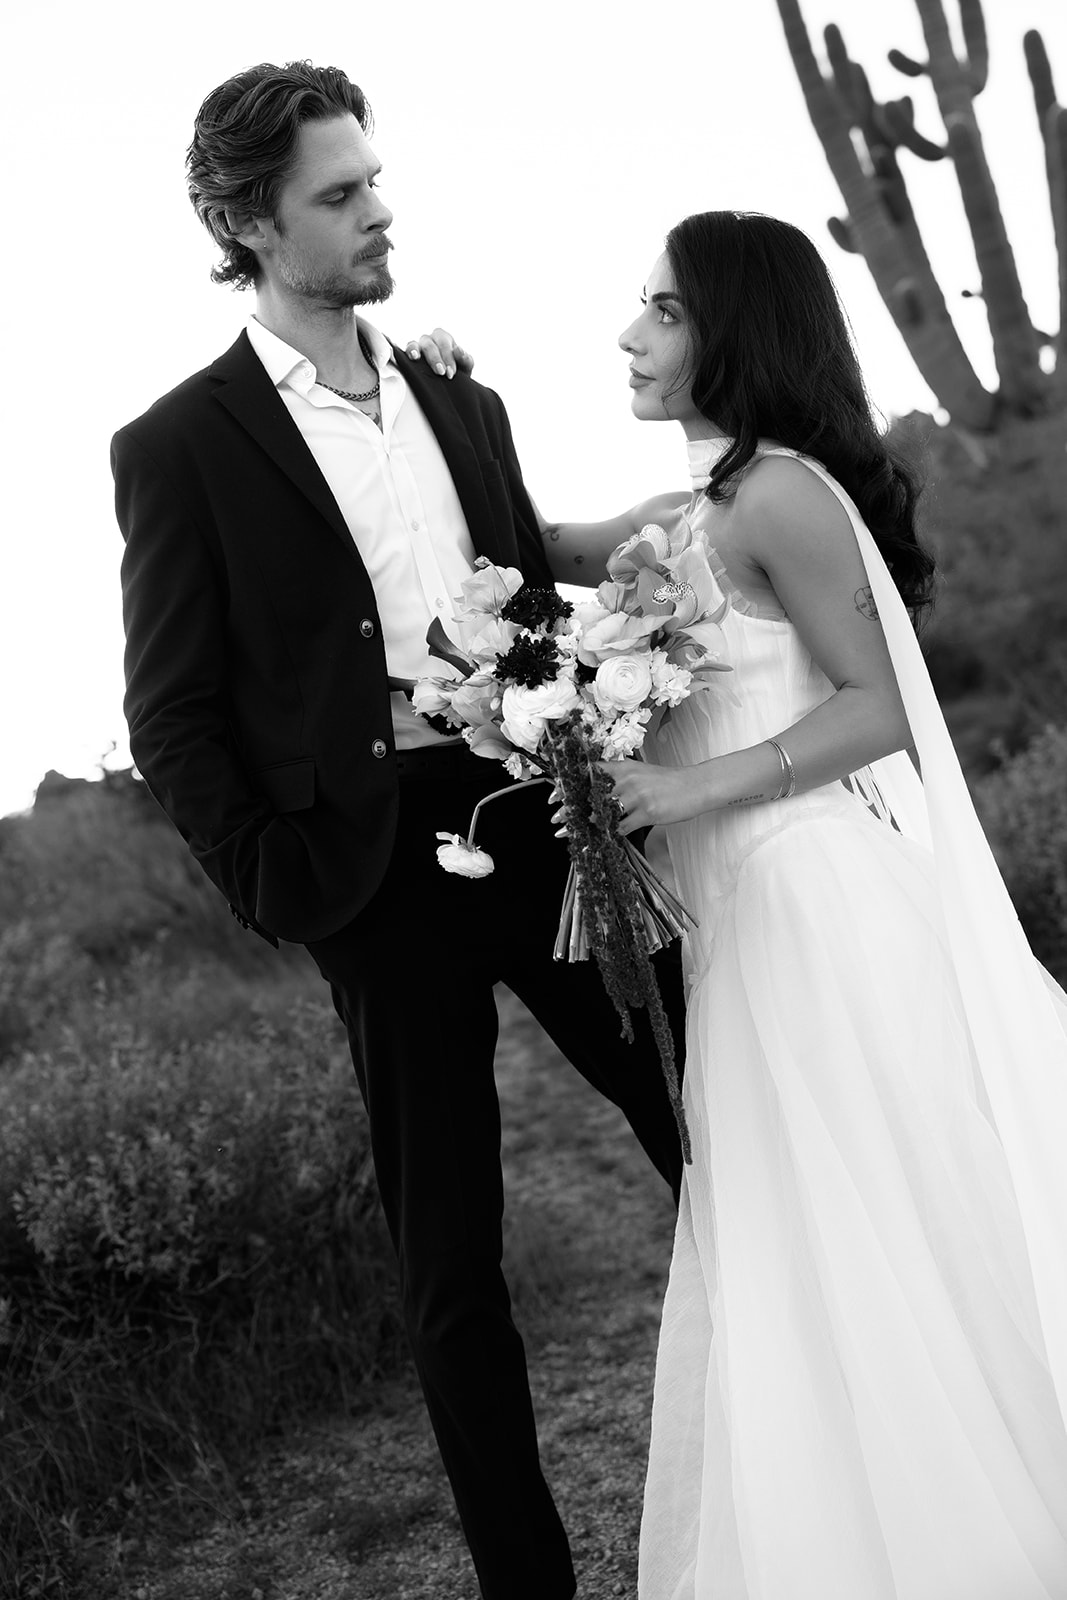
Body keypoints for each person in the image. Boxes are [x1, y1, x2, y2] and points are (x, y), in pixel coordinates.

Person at [424, 208, 1067, 1598]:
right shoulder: (689, 517)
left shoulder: (782, 496)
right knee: (808, 1247)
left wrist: (694, 794)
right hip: (745, 938)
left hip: (817, 911)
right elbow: (527, 537)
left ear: (734, 326)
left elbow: (885, 708)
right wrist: (450, 400)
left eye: (659, 310)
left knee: (875, 1225)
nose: (630, 335)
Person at [111, 60, 687, 1600]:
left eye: (375, 180)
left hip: (552, 821)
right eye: (339, 194)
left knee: (712, 1135)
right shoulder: (178, 447)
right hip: (371, 879)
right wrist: (280, 888)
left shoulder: (460, 397)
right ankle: (528, 1579)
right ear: (248, 220)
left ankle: (817, 1449)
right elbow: (172, 712)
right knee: (454, 1265)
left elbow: (529, 592)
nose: (379, 213)